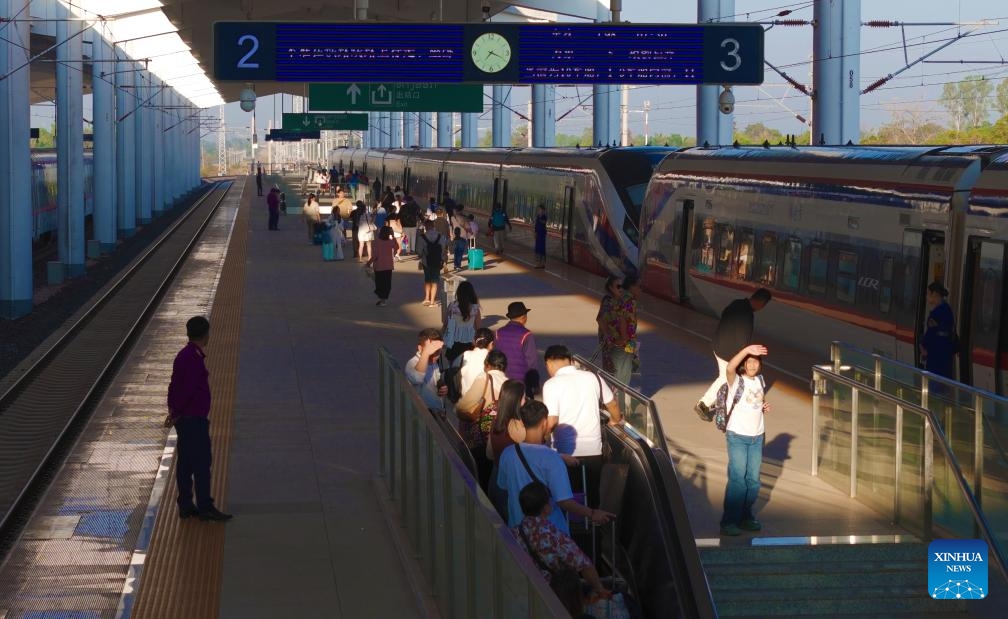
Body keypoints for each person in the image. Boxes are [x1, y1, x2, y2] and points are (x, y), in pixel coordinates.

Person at [498, 400, 614, 533]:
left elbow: (503, 487)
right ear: (544, 423)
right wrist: (593, 513)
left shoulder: (508, 453)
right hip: (550, 534)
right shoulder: (552, 459)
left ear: (523, 423)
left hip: (519, 531)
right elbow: (564, 501)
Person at [166, 316, 233, 522]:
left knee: (185, 462)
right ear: (206, 335)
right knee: (202, 462)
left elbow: (173, 386)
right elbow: (185, 390)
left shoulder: (183, 355)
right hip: (193, 419)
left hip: (185, 419)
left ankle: (186, 504)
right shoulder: (192, 359)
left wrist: (173, 411)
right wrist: (176, 412)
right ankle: (205, 506)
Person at [542, 345, 624, 509]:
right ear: (570, 361)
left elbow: (551, 421)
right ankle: (595, 526)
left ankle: (573, 531)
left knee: (568, 497)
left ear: (549, 363)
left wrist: (541, 440)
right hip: (594, 450)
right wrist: (615, 421)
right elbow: (612, 404)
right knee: (592, 495)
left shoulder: (551, 384)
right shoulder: (593, 377)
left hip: (565, 452)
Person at [514, 481, 610, 600]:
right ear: (546, 508)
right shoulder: (554, 536)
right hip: (551, 599)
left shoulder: (513, 533)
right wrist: (600, 589)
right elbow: (584, 566)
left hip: (521, 594)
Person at [696, 288, 772, 420]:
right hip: (728, 352)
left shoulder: (737, 303)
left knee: (726, 378)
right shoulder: (747, 315)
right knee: (725, 378)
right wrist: (745, 357)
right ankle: (703, 404)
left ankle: (715, 403)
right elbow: (743, 340)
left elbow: (724, 314)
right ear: (762, 303)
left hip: (718, 344)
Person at [719, 344, 770, 536]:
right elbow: (729, 368)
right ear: (743, 364)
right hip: (737, 436)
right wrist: (747, 349)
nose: (752, 365)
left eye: (755, 362)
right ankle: (729, 521)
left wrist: (763, 406)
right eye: (748, 362)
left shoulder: (761, 380)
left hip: (757, 437)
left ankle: (745, 516)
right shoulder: (736, 380)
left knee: (753, 481)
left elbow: (757, 401)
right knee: (738, 480)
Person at [456, 350, 510, 489]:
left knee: (481, 477)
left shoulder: (484, 378)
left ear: (487, 365)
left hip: (482, 439)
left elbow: (464, 405)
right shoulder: (510, 384)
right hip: (502, 440)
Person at [486, 379, 527, 517]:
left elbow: (489, 454)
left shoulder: (496, 422)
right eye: (524, 397)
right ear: (517, 400)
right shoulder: (517, 426)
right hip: (510, 484)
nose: (526, 400)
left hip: (495, 477)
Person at [495, 301, 540, 397]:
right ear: (524, 317)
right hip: (521, 383)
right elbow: (531, 361)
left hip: (502, 380)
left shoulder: (498, 332)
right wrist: (535, 384)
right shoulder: (526, 334)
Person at [405, 328, 449, 414]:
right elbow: (417, 378)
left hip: (436, 411)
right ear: (420, 348)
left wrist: (441, 389)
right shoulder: (412, 363)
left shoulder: (434, 364)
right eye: (431, 352)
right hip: (421, 415)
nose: (434, 356)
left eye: (438, 353)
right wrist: (426, 352)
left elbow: (435, 383)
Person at [920, 281, 957, 379]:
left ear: (935, 294)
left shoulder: (936, 313)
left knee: (934, 381)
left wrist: (923, 345)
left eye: (928, 294)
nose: (926, 297)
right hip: (946, 352)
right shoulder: (947, 309)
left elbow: (931, 333)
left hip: (935, 353)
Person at [443, 280, 481, 365]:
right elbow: (478, 327)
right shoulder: (475, 308)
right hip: (469, 341)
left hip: (454, 341)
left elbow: (445, 323)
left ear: (458, 293)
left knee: (452, 366)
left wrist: (443, 339)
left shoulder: (452, 306)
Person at [367, 225, 399, 306]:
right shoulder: (390, 241)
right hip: (388, 266)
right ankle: (383, 299)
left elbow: (375, 255)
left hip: (379, 266)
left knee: (379, 283)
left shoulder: (376, 242)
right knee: (387, 283)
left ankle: (382, 298)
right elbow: (397, 247)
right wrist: (394, 237)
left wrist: (369, 263)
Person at [417, 225, 445, 306]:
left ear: (426, 227)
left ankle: (427, 298)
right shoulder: (440, 236)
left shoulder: (422, 237)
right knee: (435, 281)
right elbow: (443, 249)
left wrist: (421, 257)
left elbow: (419, 251)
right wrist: (443, 260)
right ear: (434, 227)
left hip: (426, 261)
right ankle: (432, 301)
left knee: (427, 280)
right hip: (437, 261)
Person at [460, 328, 494, 395]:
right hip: (481, 399)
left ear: (474, 341)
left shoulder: (466, 354)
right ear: (491, 344)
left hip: (464, 396)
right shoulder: (491, 358)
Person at [534, 204, 547, 268]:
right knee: (537, 248)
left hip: (542, 234)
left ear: (543, 210)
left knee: (542, 248)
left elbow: (543, 222)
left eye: (540, 209)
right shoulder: (537, 216)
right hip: (538, 234)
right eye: (538, 209)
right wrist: (535, 232)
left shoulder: (544, 216)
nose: (539, 210)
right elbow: (536, 225)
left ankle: (543, 263)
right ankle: (538, 263)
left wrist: (539, 218)